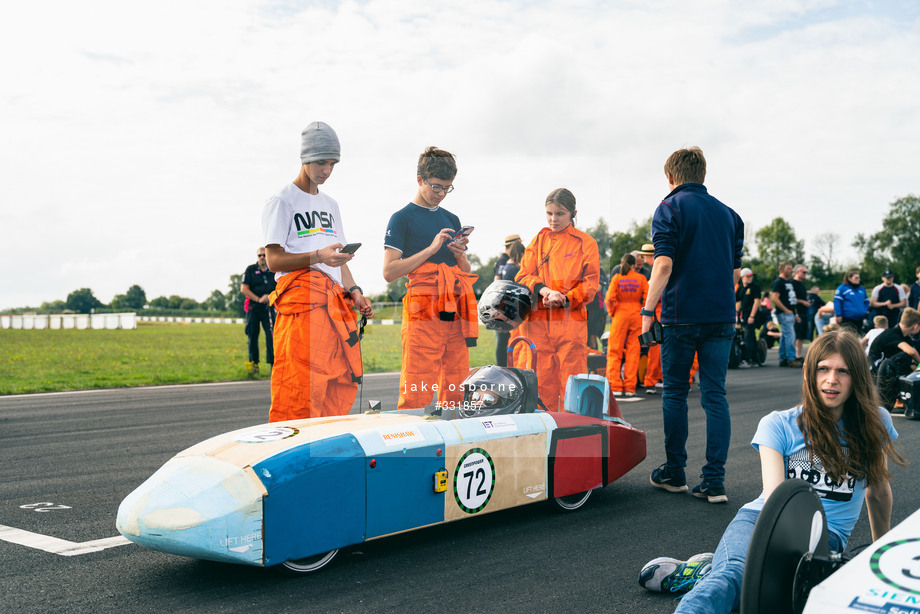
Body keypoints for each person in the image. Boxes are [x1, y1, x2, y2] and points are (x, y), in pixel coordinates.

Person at [639, 329, 903, 613]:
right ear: (808, 373)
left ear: (858, 377)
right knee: (732, 580)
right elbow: (778, 503)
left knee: (777, 598)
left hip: (824, 538)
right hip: (761, 522)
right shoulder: (778, 425)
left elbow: (877, 493)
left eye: (843, 371)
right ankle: (713, 575)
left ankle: (709, 571)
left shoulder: (875, 423)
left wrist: (879, 561)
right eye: (823, 369)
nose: (831, 380)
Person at [641, 147, 744, 503]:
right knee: (716, 395)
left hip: (681, 315)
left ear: (670, 177)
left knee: (675, 393)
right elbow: (733, 274)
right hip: (721, 315)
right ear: (702, 174)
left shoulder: (669, 208)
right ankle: (714, 480)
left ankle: (674, 471)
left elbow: (664, 265)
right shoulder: (731, 216)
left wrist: (646, 310)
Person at [262, 121, 374, 422]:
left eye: (332, 163)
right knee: (297, 396)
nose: (327, 169)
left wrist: (355, 292)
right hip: (302, 310)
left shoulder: (331, 205)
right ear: (305, 158)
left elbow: (340, 259)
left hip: (335, 308)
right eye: (321, 161)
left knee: (334, 391)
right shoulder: (281, 199)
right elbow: (273, 260)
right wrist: (317, 257)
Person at [384, 146, 478, 410]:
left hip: (455, 309)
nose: (441, 194)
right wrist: (431, 250)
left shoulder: (451, 217)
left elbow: (466, 271)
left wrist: (460, 255)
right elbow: (389, 272)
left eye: (447, 188)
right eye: (436, 187)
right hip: (423, 310)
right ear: (419, 179)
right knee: (417, 389)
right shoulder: (401, 218)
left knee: (457, 388)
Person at [514, 187, 600, 412]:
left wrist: (566, 299)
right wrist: (544, 291)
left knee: (572, 385)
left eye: (560, 214)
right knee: (541, 386)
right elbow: (522, 275)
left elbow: (591, 283)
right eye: (549, 213)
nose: (553, 219)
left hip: (570, 323)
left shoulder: (585, 243)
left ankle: (573, 436)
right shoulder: (538, 241)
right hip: (538, 324)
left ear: (573, 213)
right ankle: (545, 436)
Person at [606, 252, 649, 396]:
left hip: (620, 315)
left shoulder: (617, 278)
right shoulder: (641, 278)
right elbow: (647, 298)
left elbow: (609, 298)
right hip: (636, 315)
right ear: (633, 265)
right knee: (633, 352)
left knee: (614, 351)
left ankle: (615, 386)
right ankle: (630, 387)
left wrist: (612, 312)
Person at [867, 307, 920, 408]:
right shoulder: (891, 334)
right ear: (915, 326)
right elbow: (911, 352)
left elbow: (913, 362)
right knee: (905, 356)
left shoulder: (905, 338)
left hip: (884, 371)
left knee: (912, 364)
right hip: (874, 374)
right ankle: (896, 398)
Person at [240, 247, 277, 372]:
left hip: (269, 309)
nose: (262, 257)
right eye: (259, 255)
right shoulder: (250, 270)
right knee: (252, 336)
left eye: (264, 255)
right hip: (254, 308)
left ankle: (273, 365)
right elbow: (244, 288)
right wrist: (258, 299)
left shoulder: (273, 270)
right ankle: (254, 365)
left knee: (271, 336)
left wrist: (269, 297)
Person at [494, 240, 525, 366]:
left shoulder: (505, 266)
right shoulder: (515, 269)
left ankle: (506, 365)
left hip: (505, 305)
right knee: (513, 340)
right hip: (514, 307)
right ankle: (512, 366)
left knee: (505, 340)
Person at [771, 262, 801, 367]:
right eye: (789, 269)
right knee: (790, 336)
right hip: (784, 314)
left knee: (785, 336)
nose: (791, 271)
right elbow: (774, 298)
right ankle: (790, 358)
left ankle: (783, 358)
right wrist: (785, 310)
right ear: (782, 270)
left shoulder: (788, 282)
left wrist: (795, 313)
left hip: (791, 313)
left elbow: (792, 300)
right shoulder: (778, 282)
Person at [735, 268, 761, 368]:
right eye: (748, 276)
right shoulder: (740, 288)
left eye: (751, 276)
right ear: (742, 277)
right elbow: (737, 302)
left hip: (752, 314)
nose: (750, 278)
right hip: (743, 314)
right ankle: (755, 359)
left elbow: (756, 302)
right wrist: (737, 315)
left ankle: (747, 359)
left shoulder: (755, 287)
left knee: (748, 337)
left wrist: (752, 316)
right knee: (750, 337)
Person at [834, 270, 870, 334]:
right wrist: (838, 314)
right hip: (847, 318)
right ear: (849, 278)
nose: (858, 279)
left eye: (859, 278)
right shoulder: (842, 288)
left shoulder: (861, 289)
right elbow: (837, 302)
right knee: (846, 337)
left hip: (859, 318)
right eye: (856, 278)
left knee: (856, 337)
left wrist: (864, 311)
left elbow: (866, 301)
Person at [792, 264, 811, 360]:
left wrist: (806, 302)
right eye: (804, 272)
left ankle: (798, 355)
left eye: (806, 272)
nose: (805, 274)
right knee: (797, 335)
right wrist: (802, 302)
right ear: (796, 272)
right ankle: (794, 354)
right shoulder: (792, 284)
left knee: (802, 336)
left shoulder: (802, 285)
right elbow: (791, 299)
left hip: (804, 313)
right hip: (797, 312)